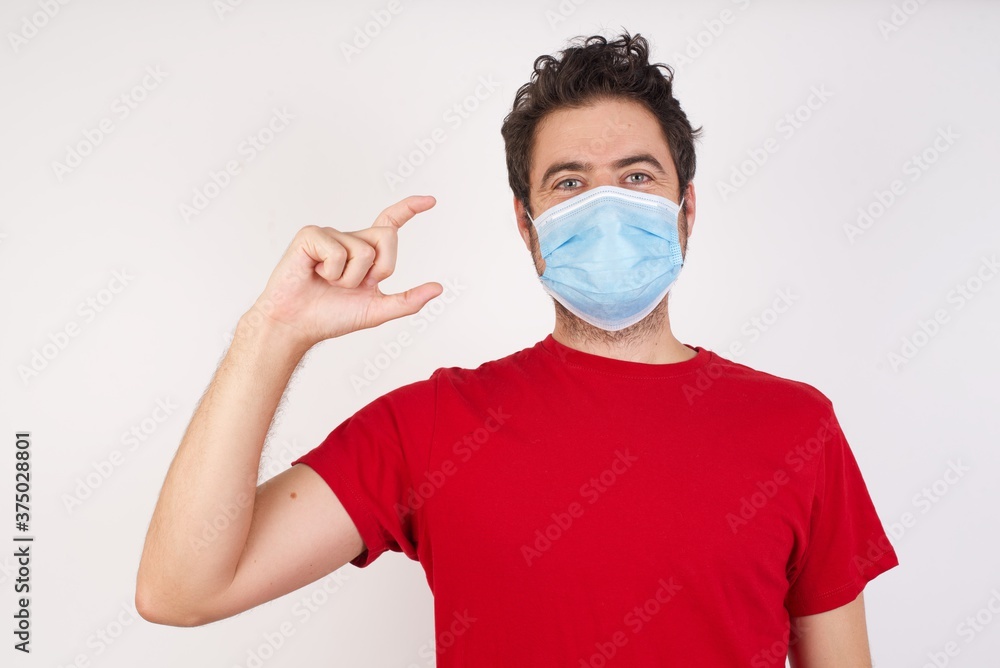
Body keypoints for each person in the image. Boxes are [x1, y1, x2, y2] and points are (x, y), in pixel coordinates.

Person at [135, 31, 898, 666]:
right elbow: (182, 590)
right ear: (528, 227)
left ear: (685, 210)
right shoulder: (431, 426)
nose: (605, 207)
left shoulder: (797, 428)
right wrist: (273, 332)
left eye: (636, 176)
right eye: (569, 184)